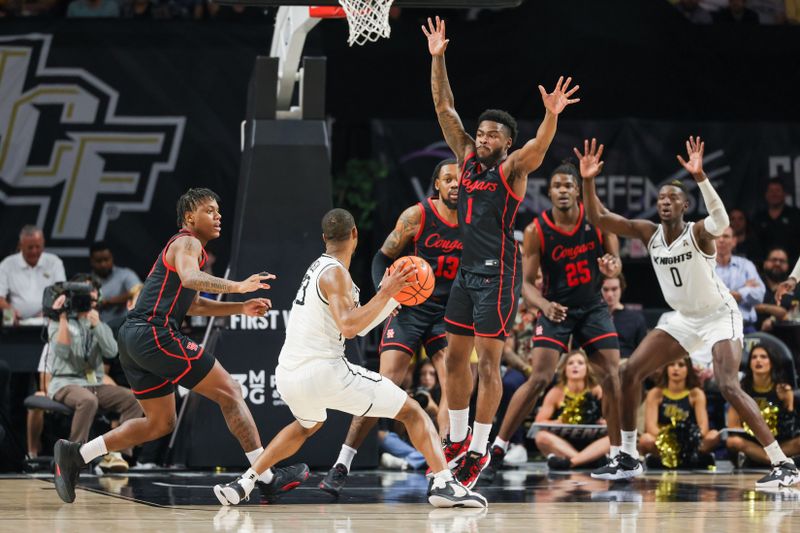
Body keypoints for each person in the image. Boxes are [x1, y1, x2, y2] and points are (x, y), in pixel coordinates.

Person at [213, 209, 486, 509]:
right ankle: (444, 483)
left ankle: (245, 482)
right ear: (355, 234)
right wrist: (388, 294)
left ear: (324, 239)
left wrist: (389, 298)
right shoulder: (335, 275)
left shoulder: (320, 268)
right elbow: (350, 327)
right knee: (412, 412)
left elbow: (360, 323)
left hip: (289, 376)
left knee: (307, 425)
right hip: (325, 372)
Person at [52, 188, 308, 503]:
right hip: (153, 332)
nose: (218, 216)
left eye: (219, 211)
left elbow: (194, 304)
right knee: (230, 391)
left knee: (160, 423)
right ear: (189, 217)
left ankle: (77, 454)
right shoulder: (187, 242)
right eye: (210, 211)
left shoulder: (188, 249)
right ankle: (266, 476)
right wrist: (238, 287)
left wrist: (238, 307)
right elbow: (189, 278)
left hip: (134, 339)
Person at [578, 136, 798, 487]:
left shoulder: (699, 233)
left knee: (728, 384)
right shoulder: (648, 232)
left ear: (684, 206)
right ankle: (628, 457)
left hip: (718, 315)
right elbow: (599, 217)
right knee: (629, 371)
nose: (665, 202)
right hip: (684, 319)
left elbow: (722, 219)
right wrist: (588, 180)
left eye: (673, 199)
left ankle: (782, 463)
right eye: (662, 198)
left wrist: (700, 176)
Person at [422, 15, 580, 488]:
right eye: (483, 132)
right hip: (465, 275)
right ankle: (454, 437)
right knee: (454, 359)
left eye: (494, 134)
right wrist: (438, 57)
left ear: (506, 142)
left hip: (497, 275)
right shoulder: (466, 156)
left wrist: (551, 115)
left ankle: (479, 448)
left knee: (488, 364)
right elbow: (444, 105)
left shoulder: (512, 168)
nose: (485, 138)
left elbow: (538, 147)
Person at [319, 159, 460, 496]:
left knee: (452, 384)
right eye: (448, 179)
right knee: (384, 386)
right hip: (410, 309)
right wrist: (386, 294)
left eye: (460, 179)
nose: (456, 184)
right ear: (436, 184)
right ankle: (343, 462)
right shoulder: (417, 216)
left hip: (446, 312)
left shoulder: (475, 219)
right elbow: (381, 258)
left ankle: (444, 469)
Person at [483, 160, 623, 483]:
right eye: (557, 186)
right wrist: (545, 306)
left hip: (592, 307)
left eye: (569, 185)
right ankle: (498, 449)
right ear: (549, 193)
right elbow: (525, 283)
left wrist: (611, 267)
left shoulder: (599, 222)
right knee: (539, 377)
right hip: (557, 309)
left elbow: (616, 266)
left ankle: (618, 454)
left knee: (614, 376)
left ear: (578, 190)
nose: (563, 191)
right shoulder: (536, 231)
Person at [46, 275, 143, 473]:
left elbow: (112, 352)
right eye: (85, 298)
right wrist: (62, 315)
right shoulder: (58, 323)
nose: (89, 303)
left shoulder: (99, 323)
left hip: (94, 383)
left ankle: (118, 454)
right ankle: (72, 456)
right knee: (88, 400)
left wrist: (98, 326)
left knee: (133, 399)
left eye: (92, 299)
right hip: (65, 383)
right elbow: (62, 351)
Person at [534, 350, 609, 471]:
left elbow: (613, 418)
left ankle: (571, 462)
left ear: (587, 368)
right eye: (570, 363)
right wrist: (555, 423)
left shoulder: (597, 390)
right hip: (564, 445)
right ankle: (587, 461)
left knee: (614, 437)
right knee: (541, 437)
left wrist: (606, 422)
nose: (575, 366)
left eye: (580, 363)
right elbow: (539, 422)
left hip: (593, 443)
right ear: (564, 369)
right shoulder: (556, 392)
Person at [639, 356, 719, 469]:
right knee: (645, 439)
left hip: (691, 442)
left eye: (681, 365)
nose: (675, 368)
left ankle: (680, 459)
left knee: (713, 435)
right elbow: (651, 427)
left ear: (688, 369)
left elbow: (703, 428)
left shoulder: (696, 394)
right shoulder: (655, 393)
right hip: (664, 442)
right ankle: (685, 461)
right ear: (666, 368)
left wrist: (686, 439)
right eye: (671, 364)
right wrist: (670, 439)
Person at [727, 344, 800, 466]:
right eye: (754, 357)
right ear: (749, 363)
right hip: (752, 443)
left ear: (772, 362)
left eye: (763, 357)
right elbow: (733, 427)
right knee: (733, 441)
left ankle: (772, 457)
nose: (758, 360)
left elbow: (790, 429)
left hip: (779, 444)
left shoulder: (783, 389)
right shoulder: (740, 392)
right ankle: (771, 459)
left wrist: (787, 401)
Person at [0, 225, 66, 321]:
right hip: (16, 322)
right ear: (20, 246)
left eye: (38, 247)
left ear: (43, 244)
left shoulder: (55, 262)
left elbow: (62, 294)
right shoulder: (7, 264)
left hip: (48, 320)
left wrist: (48, 312)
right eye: (30, 247)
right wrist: (10, 311)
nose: (34, 251)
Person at [714, 226, 765, 333]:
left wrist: (740, 294)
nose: (721, 240)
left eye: (726, 236)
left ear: (734, 241)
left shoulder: (746, 265)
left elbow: (760, 294)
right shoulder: (704, 267)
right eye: (717, 236)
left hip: (745, 327)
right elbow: (705, 298)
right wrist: (744, 289)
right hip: (715, 328)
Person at [89, 242, 142, 324]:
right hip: (97, 329)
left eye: (106, 259)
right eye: (99, 261)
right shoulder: (86, 281)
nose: (103, 264)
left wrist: (109, 301)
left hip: (124, 325)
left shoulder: (125, 274)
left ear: (112, 258)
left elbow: (139, 291)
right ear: (91, 261)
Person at [752, 178, 800, 262]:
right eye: (771, 191)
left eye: (777, 190)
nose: (774, 194)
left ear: (785, 193)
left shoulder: (796, 216)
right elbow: (754, 246)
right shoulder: (759, 218)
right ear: (766, 194)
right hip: (764, 268)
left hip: (792, 267)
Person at [601, 275, 647, 358]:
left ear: (621, 289)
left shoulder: (636, 319)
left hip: (627, 364)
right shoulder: (592, 318)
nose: (610, 294)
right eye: (605, 289)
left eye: (614, 289)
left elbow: (643, 353)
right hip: (599, 365)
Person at [756, 247, 795, 331]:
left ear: (787, 265)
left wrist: (774, 319)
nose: (777, 263)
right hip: (754, 332)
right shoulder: (755, 282)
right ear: (765, 263)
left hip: (789, 334)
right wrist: (769, 308)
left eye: (782, 261)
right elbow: (745, 305)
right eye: (773, 260)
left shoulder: (794, 286)